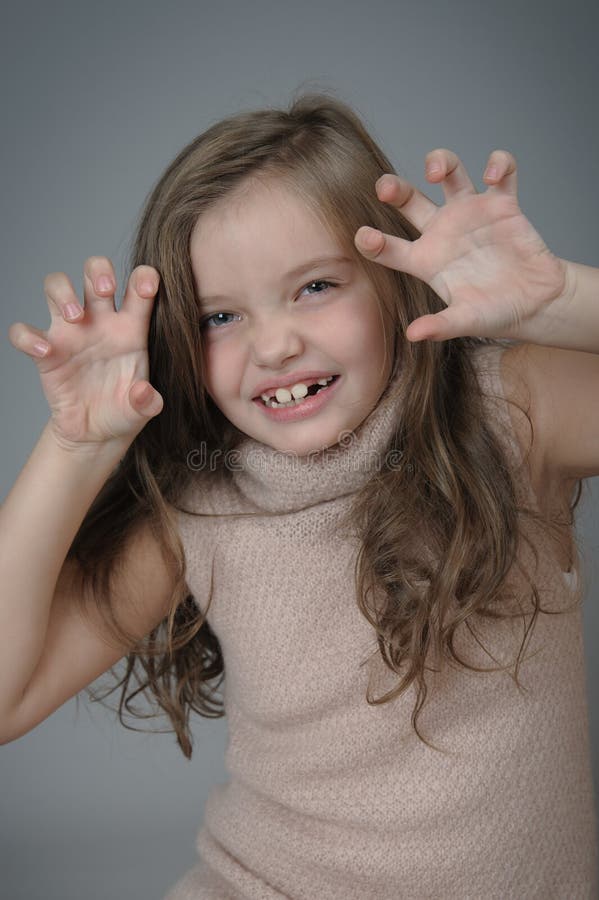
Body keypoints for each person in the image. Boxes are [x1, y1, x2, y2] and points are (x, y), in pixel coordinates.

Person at [2, 91, 598, 898]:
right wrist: (76, 447)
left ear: (394, 278)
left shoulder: (512, 411)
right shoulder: (199, 509)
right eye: (220, 317)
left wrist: (559, 299)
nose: (275, 344)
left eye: (315, 287)